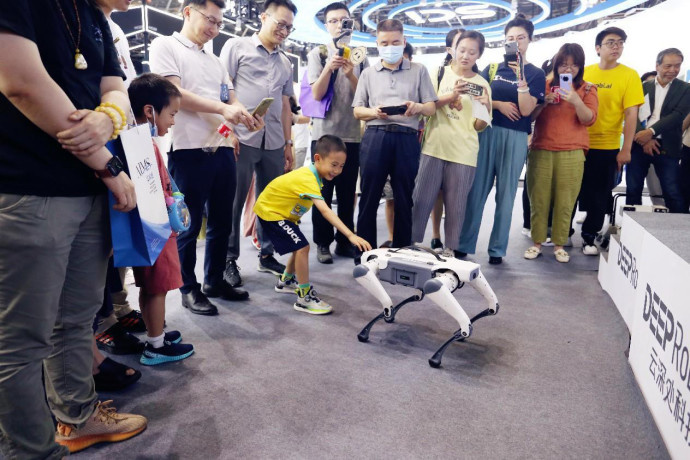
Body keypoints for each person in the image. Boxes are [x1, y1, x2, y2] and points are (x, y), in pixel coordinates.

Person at [0, 1, 147, 456]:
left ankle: (77, 417)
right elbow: (21, 83)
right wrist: (107, 163)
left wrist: (109, 118)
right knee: (20, 339)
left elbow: (115, 87)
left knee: (75, 320)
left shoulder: (95, 15)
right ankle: (31, 450)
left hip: (87, 190)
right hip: (28, 187)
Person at [149, 0, 256, 316]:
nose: (214, 28)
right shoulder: (166, 46)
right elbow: (174, 93)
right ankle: (188, 288)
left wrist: (245, 116)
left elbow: (230, 97)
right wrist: (224, 109)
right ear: (187, 12)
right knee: (188, 225)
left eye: (219, 23)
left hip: (222, 148)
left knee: (223, 222)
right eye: (210, 19)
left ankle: (213, 281)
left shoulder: (215, 60)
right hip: (187, 150)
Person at [457, 14, 546, 265]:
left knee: (506, 195)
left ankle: (497, 249)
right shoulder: (493, 68)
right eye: (510, 38)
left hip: (516, 137)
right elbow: (476, 93)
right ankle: (464, 243)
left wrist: (521, 82)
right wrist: (498, 104)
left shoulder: (535, 73)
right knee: (476, 191)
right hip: (487, 132)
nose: (515, 42)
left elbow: (528, 110)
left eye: (520, 38)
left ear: (529, 40)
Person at [221, 0, 297, 285]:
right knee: (234, 200)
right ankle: (228, 260)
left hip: (274, 140)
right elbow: (223, 90)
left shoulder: (286, 62)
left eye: (289, 27)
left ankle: (267, 255)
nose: (285, 31)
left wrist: (288, 144)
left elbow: (286, 104)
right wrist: (230, 128)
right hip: (241, 138)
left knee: (271, 201)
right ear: (264, 17)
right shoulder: (236, 47)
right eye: (281, 23)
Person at [255, 135, 372, 314]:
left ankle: (286, 281)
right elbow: (326, 211)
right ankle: (304, 297)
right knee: (303, 247)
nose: (338, 171)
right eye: (334, 165)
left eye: (341, 166)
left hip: (282, 213)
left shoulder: (315, 176)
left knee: (299, 245)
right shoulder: (308, 178)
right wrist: (350, 235)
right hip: (271, 212)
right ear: (318, 158)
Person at [128, 73, 196, 364]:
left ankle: (154, 334)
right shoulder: (141, 143)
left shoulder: (137, 138)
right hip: (155, 229)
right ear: (149, 111)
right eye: (172, 114)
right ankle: (155, 347)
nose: (173, 121)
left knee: (150, 286)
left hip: (148, 229)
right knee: (158, 288)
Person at [352, 18, 437, 250]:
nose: (390, 47)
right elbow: (357, 110)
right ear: (377, 44)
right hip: (375, 136)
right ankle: (365, 252)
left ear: (404, 41)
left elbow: (431, 106)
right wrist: (373, 112)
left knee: (404, 196)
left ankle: (402, 249)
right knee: (369, 196)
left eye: (395, 42)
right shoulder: (368, 74)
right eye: (385, 43)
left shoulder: (419, 71)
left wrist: (417, 107)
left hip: (407, 138)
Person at [411, 30, 492, 258]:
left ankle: (450, 250)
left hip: (464, 153)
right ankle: (411, 243)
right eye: (462, 50)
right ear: (453, 50)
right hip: (434, 147)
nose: (466, 56)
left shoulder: (482, 84)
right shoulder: (438, 73)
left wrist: (484, 106)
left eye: (472, 52)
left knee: (456, 206)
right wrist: (451, 95)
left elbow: (478, 126)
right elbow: (426, 109)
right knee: (420, 199)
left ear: (479, 55)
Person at [524, 43, 598, 263]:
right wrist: (543, 103)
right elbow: (530, 117)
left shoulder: (587, 89)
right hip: (541, 149)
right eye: (564, 64)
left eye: (574, 65)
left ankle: (559, 244)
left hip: (573, 152)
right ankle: (536, 243)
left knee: (566, 201)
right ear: (556, 65)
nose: (568, 69)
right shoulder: (543, 85)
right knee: (538, 199)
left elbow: (589, 119)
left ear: (580, 67)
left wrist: (575, 100)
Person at [308, 2, 368, 264]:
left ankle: (345, 240)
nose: (339, 25)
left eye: (344, 21)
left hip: (352, 136)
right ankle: (322, 243)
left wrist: (351, 74)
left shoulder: (361, 57)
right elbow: (316, 94)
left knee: (346, 195)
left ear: (352, 25)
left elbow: (367, 98)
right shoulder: (318, 54)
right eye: (333, 21)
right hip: (322, 136)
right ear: (326, 25)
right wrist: (328, 68)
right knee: (321, 193)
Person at [579, 27, 644, 255]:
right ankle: (560, 234)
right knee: (573, 191)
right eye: (610, 42)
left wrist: (626, 149)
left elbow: (631, 114)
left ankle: (589, 237)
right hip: (578, 144)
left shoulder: (629, 75)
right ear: (598, 48)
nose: (616, 46)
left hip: (607, 145)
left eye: (620, 42)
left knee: (599, 194)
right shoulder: (585, 73)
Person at [625, 48, 690, 213]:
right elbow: (631, 114)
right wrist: (645, 137)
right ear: (658, 66)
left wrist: (651, 132)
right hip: (639, 144)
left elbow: (678, 116)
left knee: (672, 190)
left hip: (668, 146)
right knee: (633, 189)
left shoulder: (685, 88)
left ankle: (680, 231)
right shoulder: (642, 86)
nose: (673, 70)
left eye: (677, 66)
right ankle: (631, 229)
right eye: (668, 66)